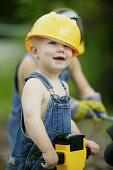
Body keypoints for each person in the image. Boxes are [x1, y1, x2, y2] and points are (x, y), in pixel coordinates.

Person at [7, 12, 100, 170]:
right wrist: (47, 150)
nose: (61, 50)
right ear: (35, 51)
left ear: (73, 54)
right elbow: (31, 120)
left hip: (57, 157)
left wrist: (81, 142)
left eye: (66, 46)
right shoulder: (34, 83)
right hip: (33, 159)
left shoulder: (63, 85)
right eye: (53, 43)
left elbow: (66, 121)